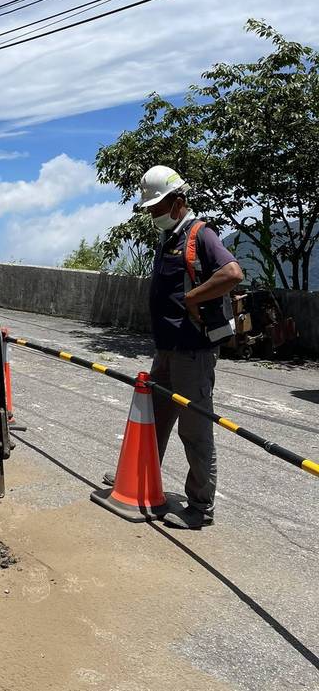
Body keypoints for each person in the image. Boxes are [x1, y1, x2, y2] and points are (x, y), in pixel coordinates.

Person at [135, 165, 242, 529]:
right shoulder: (171, 237)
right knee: (154, 420)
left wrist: (194, 298)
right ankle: (143, 481)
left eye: (157, 207)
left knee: (194, 430)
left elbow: (232, 273)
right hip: (167, 349)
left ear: (178, 202)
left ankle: (199, 507)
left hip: (192, 351)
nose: (153, 214)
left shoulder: (201, 234)